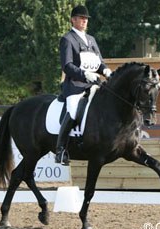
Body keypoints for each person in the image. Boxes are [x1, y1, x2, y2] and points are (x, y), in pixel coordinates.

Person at [55, 5, 112, 165]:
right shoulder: (67, 39)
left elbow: (99, 62)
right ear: (73, 20)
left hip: (93, 85)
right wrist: (84, 74)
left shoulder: (91, 40)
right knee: (73, 111)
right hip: (75, 86)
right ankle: (60, 150)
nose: (84, 21)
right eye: (81, 18)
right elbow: (67, 65)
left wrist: (106, 71)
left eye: (86, 19)